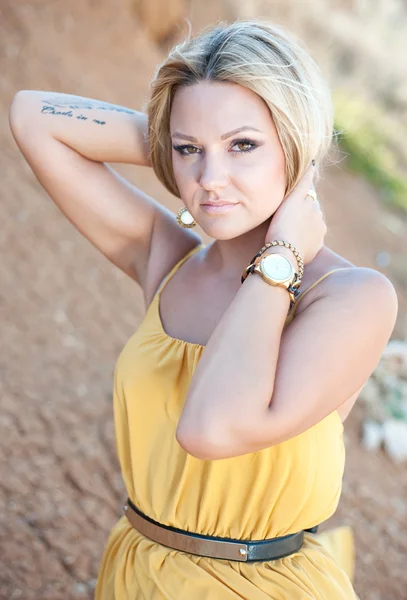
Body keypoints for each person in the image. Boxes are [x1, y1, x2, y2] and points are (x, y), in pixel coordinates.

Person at [9, 19, 397, 600]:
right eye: (189, 152)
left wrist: (281, 257)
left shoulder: (351, 297)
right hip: (136, 573)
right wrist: (184, 134)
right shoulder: (169, 261)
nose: (210, 180)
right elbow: (32, 117)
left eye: (244, 145)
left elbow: (211, 427)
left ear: (297, 144)